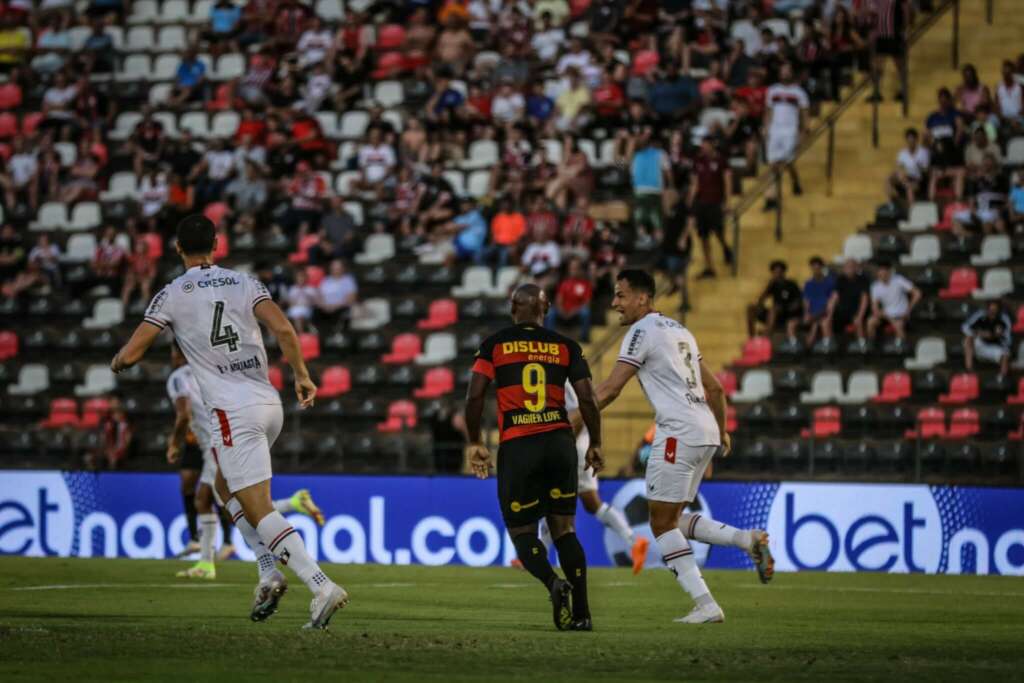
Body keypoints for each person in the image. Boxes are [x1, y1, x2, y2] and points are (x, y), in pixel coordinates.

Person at [110, 215, 348, 629]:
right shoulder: (245, 283)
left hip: (231, 411)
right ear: (216, 245)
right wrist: (301, 375)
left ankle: (321, 584)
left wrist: (117, 361)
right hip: (268, 402)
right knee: (222, 486)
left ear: (178, 249)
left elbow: (130, 355)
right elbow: (285, 330)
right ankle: (267, 571)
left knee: (258, 508)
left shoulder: (170, 294)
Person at [590, 270, 773, 624]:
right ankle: (747, 539)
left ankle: (706, 605)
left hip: (677, 431)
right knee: (673, 519)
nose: (614, 303)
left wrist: (569, 419)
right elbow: (716, 389)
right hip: (704, 428)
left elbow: (611, 389)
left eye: (620, 295)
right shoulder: (681, 331)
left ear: (642, 298)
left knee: (660, 525)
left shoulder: (640, 331)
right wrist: (722, 433)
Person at [464, 284, 603, 631]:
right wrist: (596, 442)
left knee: (522, 532)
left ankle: (553, 583)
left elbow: (474, 396)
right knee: (565, 530)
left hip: (519, 445)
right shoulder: (566, 346)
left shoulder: (494, 344)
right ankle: (583, 615)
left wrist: (474, 441)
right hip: (559, 443)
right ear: (547, 309)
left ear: (513, 308)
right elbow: (587, 400)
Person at [763, 62, 808, 211]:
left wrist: (803, 132)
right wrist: (766, 128)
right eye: (783, 70)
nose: (785, 73)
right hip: (775, 130)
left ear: (792, 73)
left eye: (787, 70)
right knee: (772, 164)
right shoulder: (772, 90)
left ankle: (795, 181)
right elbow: (768, 111)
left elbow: (804, 114)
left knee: (787, 162)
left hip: (790, 130)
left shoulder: (799, 92)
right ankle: (771, 198)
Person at [688, 136, 733, 279]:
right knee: (703, 236)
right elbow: (695, 182)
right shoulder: (698, 160)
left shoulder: (721, 160)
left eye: (706, 145)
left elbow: (727, 181)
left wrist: (728, 202)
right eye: (702, 145)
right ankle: (709, 267)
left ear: (712, 145)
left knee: (718, 231)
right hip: (701, 203)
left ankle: (726, 248)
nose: (704, 148)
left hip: (715, 202)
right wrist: (690, 199)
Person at [746, 260, 803, 340]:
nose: (777, 274)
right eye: (775, 272)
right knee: (751, 308)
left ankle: (767, 335)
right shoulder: (773, 285)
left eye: (779, 272)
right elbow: (761, 300)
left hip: (787, 313)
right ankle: (751, 337)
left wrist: (786, 308)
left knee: (774, 309)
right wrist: (769, 286)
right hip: (774, 314)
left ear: (783, 272)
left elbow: (798, 302)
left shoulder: (791, 284)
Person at [866, 259, 921, 341]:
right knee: (870, 322)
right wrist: (889, 318)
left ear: (889, 272)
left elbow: (917, 293)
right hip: (886, 315)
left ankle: (901, 347)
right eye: (880, 272)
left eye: (884, 272)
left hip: (901, 313)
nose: (882, 275)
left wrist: (908, 310)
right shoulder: (875, 286)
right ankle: (871, 346)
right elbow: (875, 308)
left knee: (899, 325)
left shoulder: (899, 280)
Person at [545, 258, 593, 342]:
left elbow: (587, 303)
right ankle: (549, 338)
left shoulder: (585, 284)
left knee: (586, 312)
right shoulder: (564, 283)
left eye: (576, 268)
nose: (573, 271)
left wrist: (573, 311)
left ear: (580, 270)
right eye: (571, 268)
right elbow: (558, 300)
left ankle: (584, 338)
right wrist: (561, 310)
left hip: (577, 311)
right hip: (563, 311)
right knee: (550, 312)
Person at [823, 258, 870, 342]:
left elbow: (864, 300)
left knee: (858, 322)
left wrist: (859, 316)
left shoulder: (863, 280)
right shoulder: (840, 280)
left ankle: (861, 345)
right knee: (826, 322)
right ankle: (830, 345)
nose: (849, 269)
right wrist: (829, 315)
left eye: (851, 267)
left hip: (856, 312)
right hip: (843, 312)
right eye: (847, 267)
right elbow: (834, 298)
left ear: (856, 268)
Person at [962, 301, 1012, 376]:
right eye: (990, 310)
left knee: (1005, 355)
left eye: (994, 310)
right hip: (981, 344)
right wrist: (979, 333)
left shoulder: (1003, 319)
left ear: (998, 310)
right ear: (987, 309)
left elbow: (1008, 340)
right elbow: (965, 327)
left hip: (996, 347)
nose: (992, 312)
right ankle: (969, 370)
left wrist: (994, 336)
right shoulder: (981, 315)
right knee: (968, 339)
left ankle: (1002, 378)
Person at [888, 128, 930, 206]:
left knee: (909, 188)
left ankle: (912, 211)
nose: (911, 143)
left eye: (912, 141)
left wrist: (919, 168)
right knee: (890, 178)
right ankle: (891, 204)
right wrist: (903, 178)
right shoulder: (902, 153)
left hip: (919, 180)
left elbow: (926, 172)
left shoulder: (923, 152)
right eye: (909, 141)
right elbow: (899, 169)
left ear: (916, 140)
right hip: (906, 178)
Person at [802, 256, 835, 347]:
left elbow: (832, 300)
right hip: (813, 313)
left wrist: (827, 312)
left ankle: (827, 346)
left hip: (825, 311)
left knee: (822, 322)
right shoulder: (808, 284)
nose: (816, 270)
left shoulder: (830, 282)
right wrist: (807, 313)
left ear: (822, 268)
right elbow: (806, 301)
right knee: (813, 322)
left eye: (818, 268)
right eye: (813, 268)